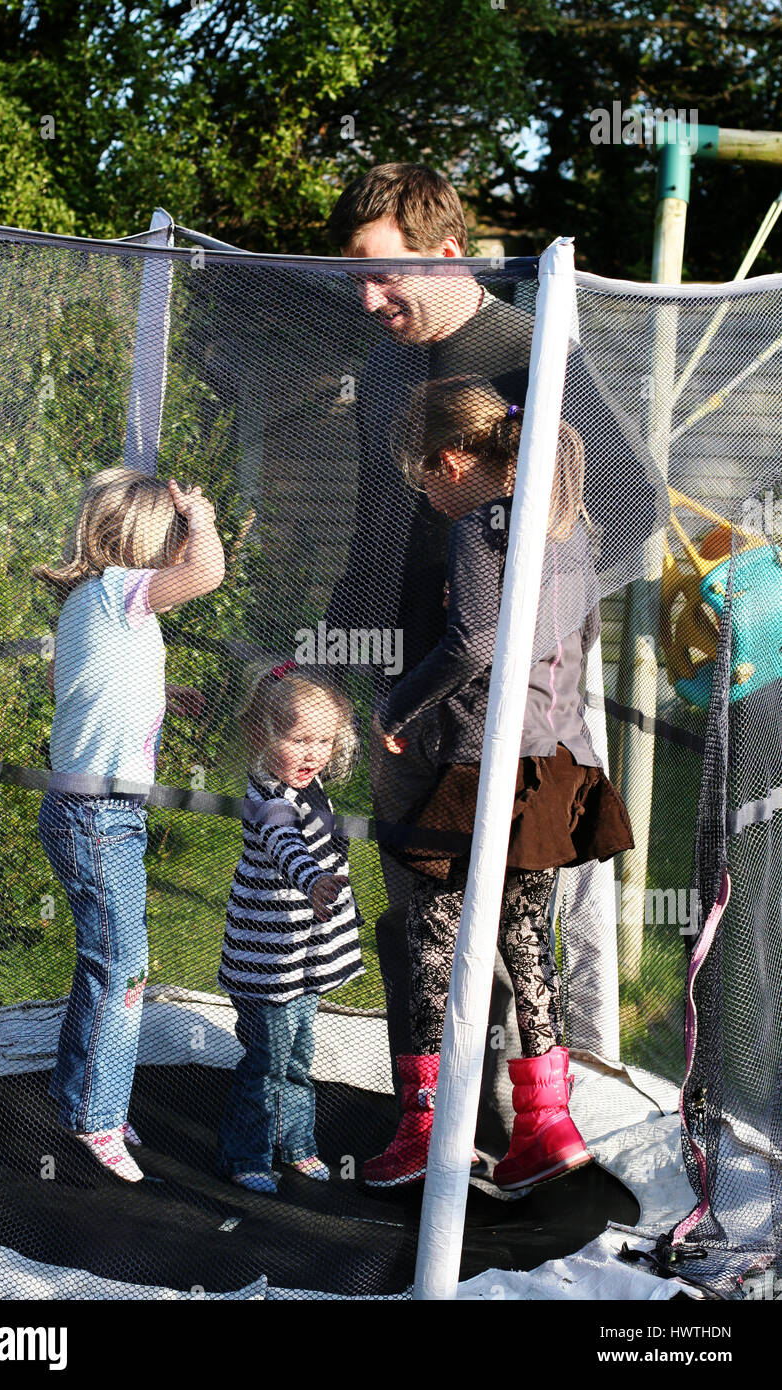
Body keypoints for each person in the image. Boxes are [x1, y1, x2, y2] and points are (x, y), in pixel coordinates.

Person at [326, 163, 667, 1155]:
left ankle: (546, 1124)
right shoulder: (385, 368)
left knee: (525, 912)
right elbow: (368, 524)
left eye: (382, 275)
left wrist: (527, 611)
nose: (366, 300)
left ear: (443, 251)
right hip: (411, 689)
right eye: (351, 279)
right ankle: (431, 1126)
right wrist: (337, 654)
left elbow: (634, 509)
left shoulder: (531, 349)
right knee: (419, 915)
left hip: (518, 693)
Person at [362, 377, 634, 1189]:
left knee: (430, 939)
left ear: (449, 462)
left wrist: (398, 705)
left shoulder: (485, 526)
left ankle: (425, 1128)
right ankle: (548, 1125)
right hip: (556, 763)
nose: (427, 498)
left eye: (422, 481)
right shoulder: (566, 520)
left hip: (485, 766)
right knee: (526, 942)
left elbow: (474, 641)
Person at [33, 467, 225, 1181]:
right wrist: (200, 514)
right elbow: (208, 571)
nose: (182, 547)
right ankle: (98, 1118)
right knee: (125, 967)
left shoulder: (89, 602)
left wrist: (159, 693)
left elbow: (70, 686)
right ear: (153, 539)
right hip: (99, 817)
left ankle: (80, 1095)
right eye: (173, 535)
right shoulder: (119, 590)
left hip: (85, 809)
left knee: (106, 959)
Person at [216, 661, 364, 1194]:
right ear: (261, 735)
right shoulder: (270, 798)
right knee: (267, 1062)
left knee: (299, 1057)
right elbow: (286, 848)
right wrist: (313, 882)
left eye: (323, 741)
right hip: (269, 958)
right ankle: (245, 1155)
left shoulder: (308, 783)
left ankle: (296, 1144)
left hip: (302, 956)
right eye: (299, 740)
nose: (312, 754)